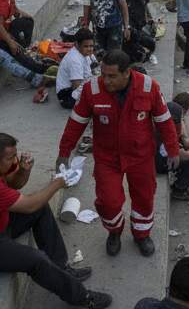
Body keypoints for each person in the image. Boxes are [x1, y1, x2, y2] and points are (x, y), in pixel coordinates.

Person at [0, 131, 110, 309]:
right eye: (11, 157)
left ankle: (61, 268)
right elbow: (29, 205)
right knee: (35, 259)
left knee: (41, 208)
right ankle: (83, 297)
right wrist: (57, 183)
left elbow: (14, 185)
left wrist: (23, 170)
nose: (15, 160)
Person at [58, 50, 178, 257]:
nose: (105, 80)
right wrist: (64, 151)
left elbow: (164, 121)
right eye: (103, 74)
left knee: (144, 197)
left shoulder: (149, 87)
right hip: (107, 157)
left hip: (140, 156)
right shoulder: (91, 90)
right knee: (108, 201)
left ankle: (141, 235)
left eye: (112, 76)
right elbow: (76, 123)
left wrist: (173, 149)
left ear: (127, 73)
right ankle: (114, 232)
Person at [156, 92, 189, 202]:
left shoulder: (160, 120)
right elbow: (186, 151)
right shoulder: (171, 131)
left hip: (154, 158)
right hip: (159, 164)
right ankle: (179, 189)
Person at [53, 29, 96, 108]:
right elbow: (77, 86)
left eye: (91, 46)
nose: (90, 49)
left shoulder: (84, 53)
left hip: (73, 89)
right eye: (86, 46)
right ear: (76, 44)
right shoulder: (74, 59)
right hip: (67, 97)